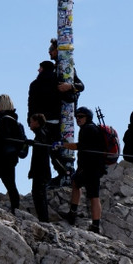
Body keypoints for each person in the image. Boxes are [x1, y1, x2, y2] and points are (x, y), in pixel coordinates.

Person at [45, 39, 85, 183]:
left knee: (58, 145)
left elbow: (81, 85)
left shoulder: (68, 67)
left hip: (65, 113)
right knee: (53, 146)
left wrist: (70, 87)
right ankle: (61, 172)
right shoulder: (52, 69)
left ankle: (66, 172)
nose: (49, 52)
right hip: (55, 113)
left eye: (51, 49)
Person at [63, 106, 105, 233]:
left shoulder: (87, 129)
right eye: (76, 117)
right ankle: (96, 225)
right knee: (94, 196)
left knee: (76, 183)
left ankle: (72, 213)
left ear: (88, 117)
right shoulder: (94, 128)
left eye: (81, 116)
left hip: (88, 167)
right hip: (96, 168)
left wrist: (63, 145)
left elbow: (80, 146)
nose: (78, 119)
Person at [27, 113, 52, 222]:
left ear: (37, 123)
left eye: (31, 122)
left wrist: (33, 143)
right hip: (41, 171)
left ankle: (44, 219)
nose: (30, 124)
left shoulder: (41, 134)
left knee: (38, 195)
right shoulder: (42, 133)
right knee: (39, 194)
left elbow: (41, 146)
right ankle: (43, 219)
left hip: (40, 171)